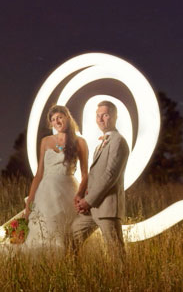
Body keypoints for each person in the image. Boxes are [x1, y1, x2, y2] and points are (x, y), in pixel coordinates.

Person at [0, 105, 89, 267]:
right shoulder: (45, 142)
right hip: (46, 192)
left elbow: (85, 173)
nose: (57, 121)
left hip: (67, 191)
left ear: (67, 117)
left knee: (63, 234)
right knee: (34, 232)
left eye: (60, 117)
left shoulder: (80, 142)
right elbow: (38, 174)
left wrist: (79, 194)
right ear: (50, 123)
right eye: (53, 119)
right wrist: (30, 200)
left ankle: (61, 266)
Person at [70, 101, 130, 261]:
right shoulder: (100, 145)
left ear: (114, 116)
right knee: (71, 241)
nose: (101, 119)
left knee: (116, 253)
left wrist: (88, 201)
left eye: (105, 115)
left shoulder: (118, 141)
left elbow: (110, 175)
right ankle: (73, 278)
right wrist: (81, 194)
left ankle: (123, 284)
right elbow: (95, 174)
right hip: (91, 209)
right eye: (98, 116)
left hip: (107, 208)